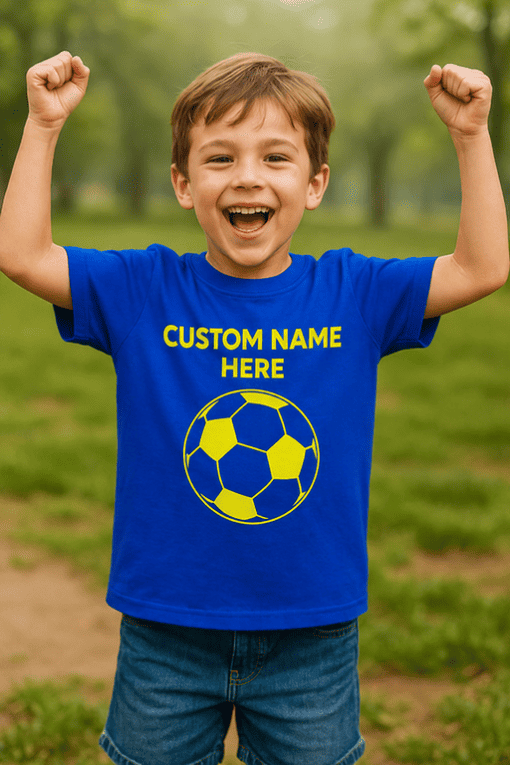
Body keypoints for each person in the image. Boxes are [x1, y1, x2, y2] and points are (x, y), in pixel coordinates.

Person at [0, 50, 507, 765]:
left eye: (276, 157)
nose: (247, 176)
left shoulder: (353, 292)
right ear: (182, 183)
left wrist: (471, 135)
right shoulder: (144, 289)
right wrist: (44, 125)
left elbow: (481, 267)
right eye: (218, 158)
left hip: (312, 634)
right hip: (165, 631)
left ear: (315, 182)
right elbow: (22, 253)